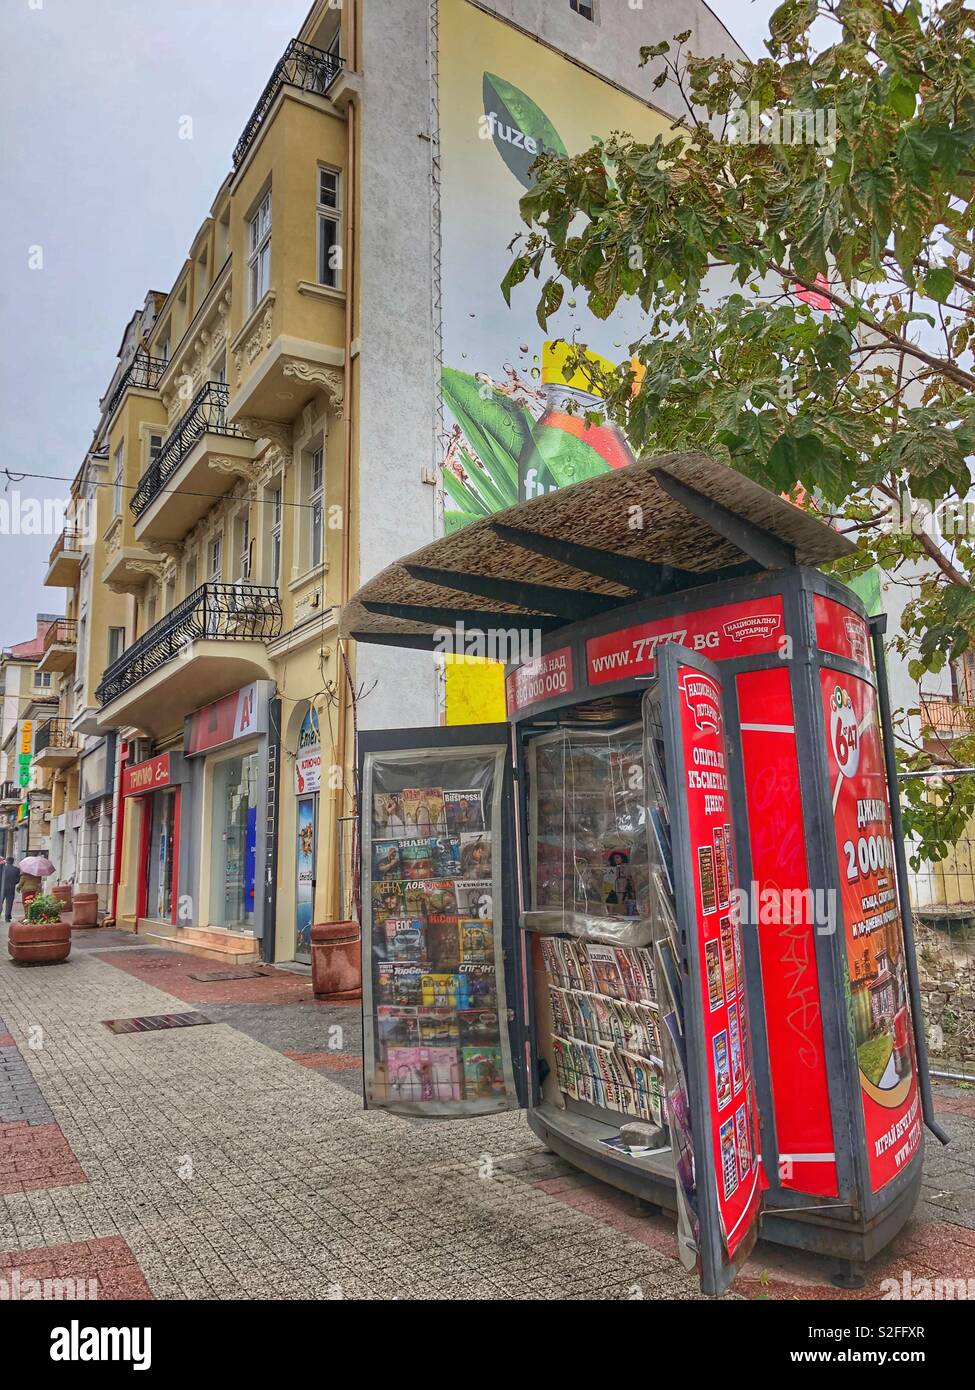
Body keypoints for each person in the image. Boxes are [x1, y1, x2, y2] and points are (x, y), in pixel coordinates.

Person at [1, 856, 20, 923]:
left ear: (6, 861)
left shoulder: (2, 868)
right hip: (11, 888)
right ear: (13, 862)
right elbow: (18, 880)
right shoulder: (17, 869)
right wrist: (13, 883)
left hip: (2, 888)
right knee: (9, 903)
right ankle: (7, 917)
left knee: (0, 902)